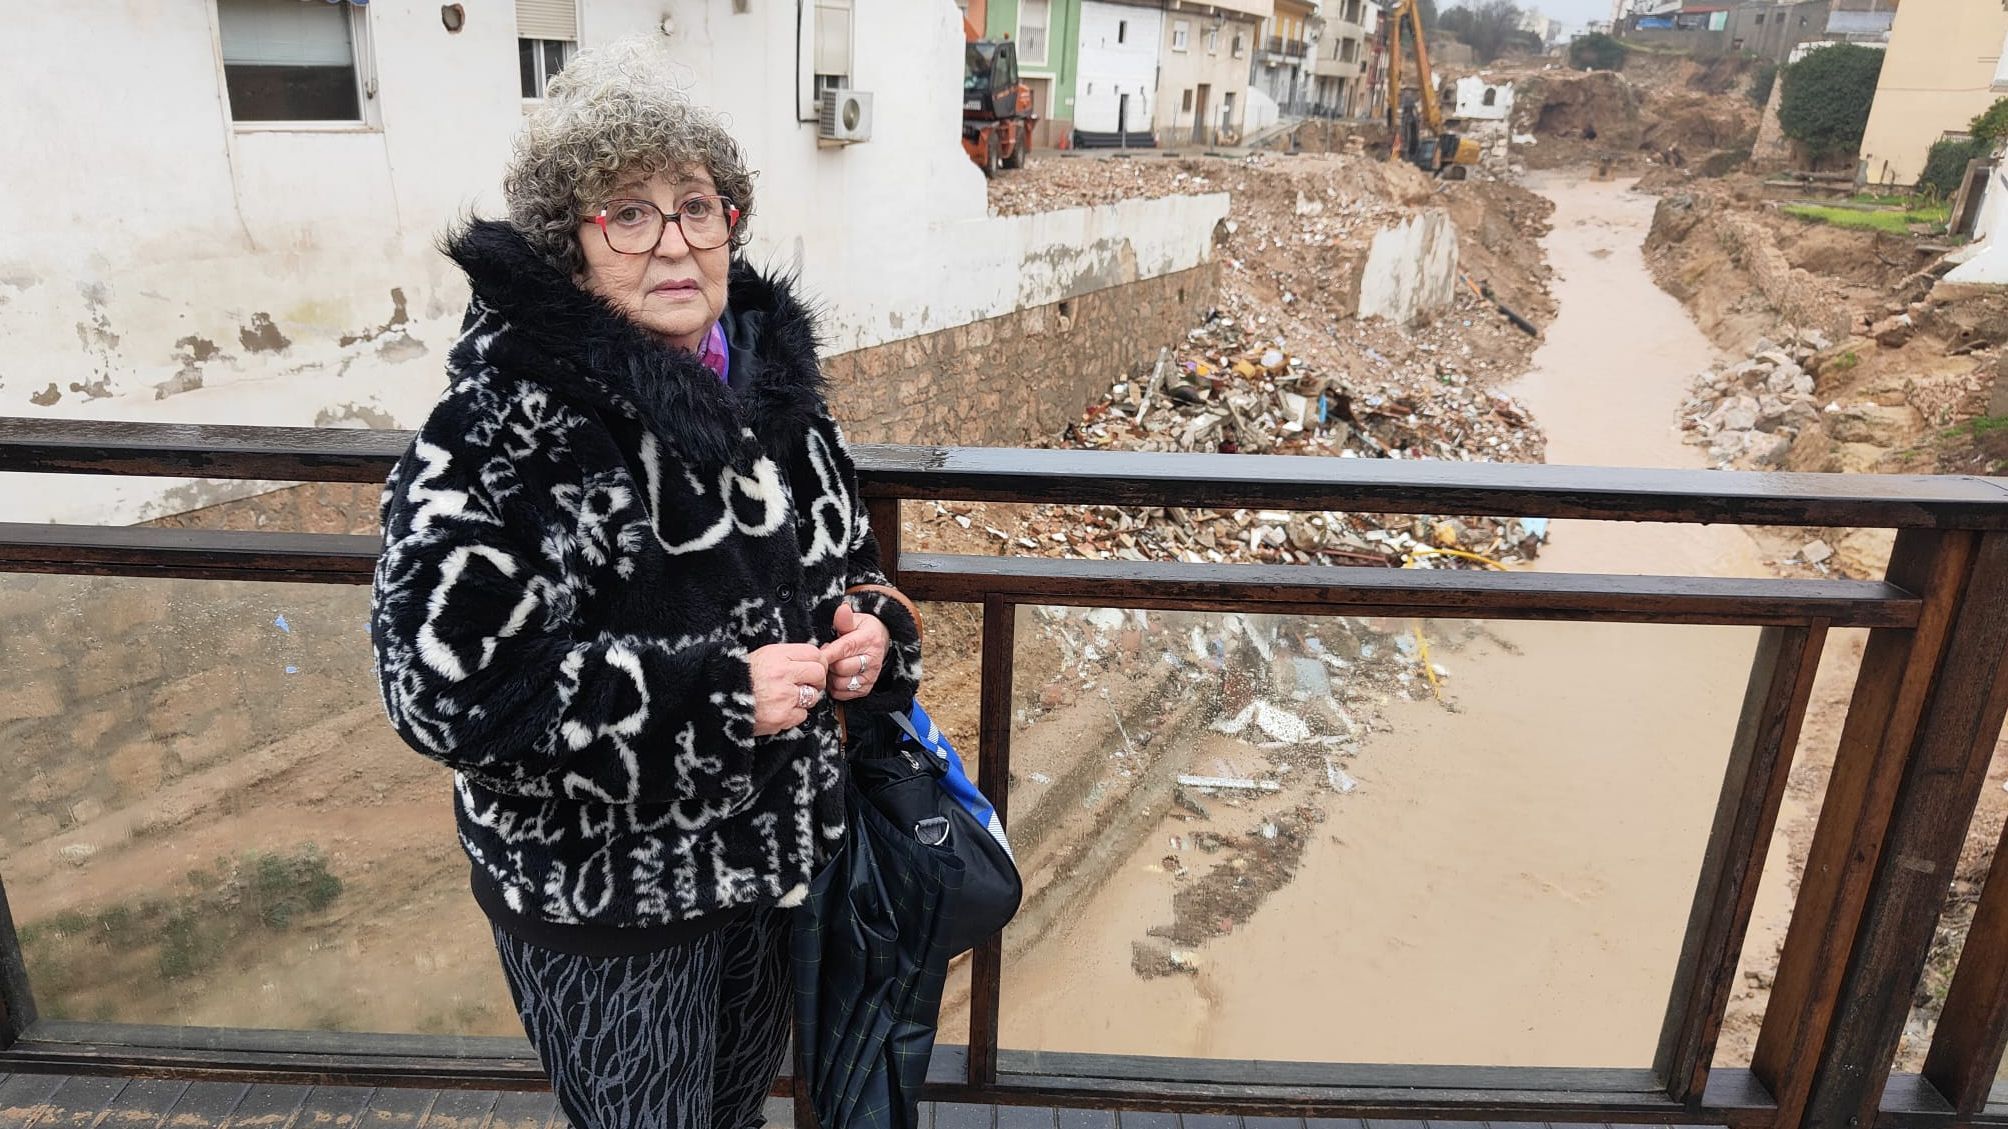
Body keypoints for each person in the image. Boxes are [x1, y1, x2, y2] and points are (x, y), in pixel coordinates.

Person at [369, 38, 920, 1129]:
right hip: (609, 906)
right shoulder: (505, 425)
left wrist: (871, 635)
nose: (674, 241)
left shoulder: (773, 387)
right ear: (567, 246)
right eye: (626, 211)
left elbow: (845, 558)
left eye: (697, 206)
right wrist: (714, 700)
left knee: (733, 1114)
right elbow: (443, 690)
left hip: (772, 873)